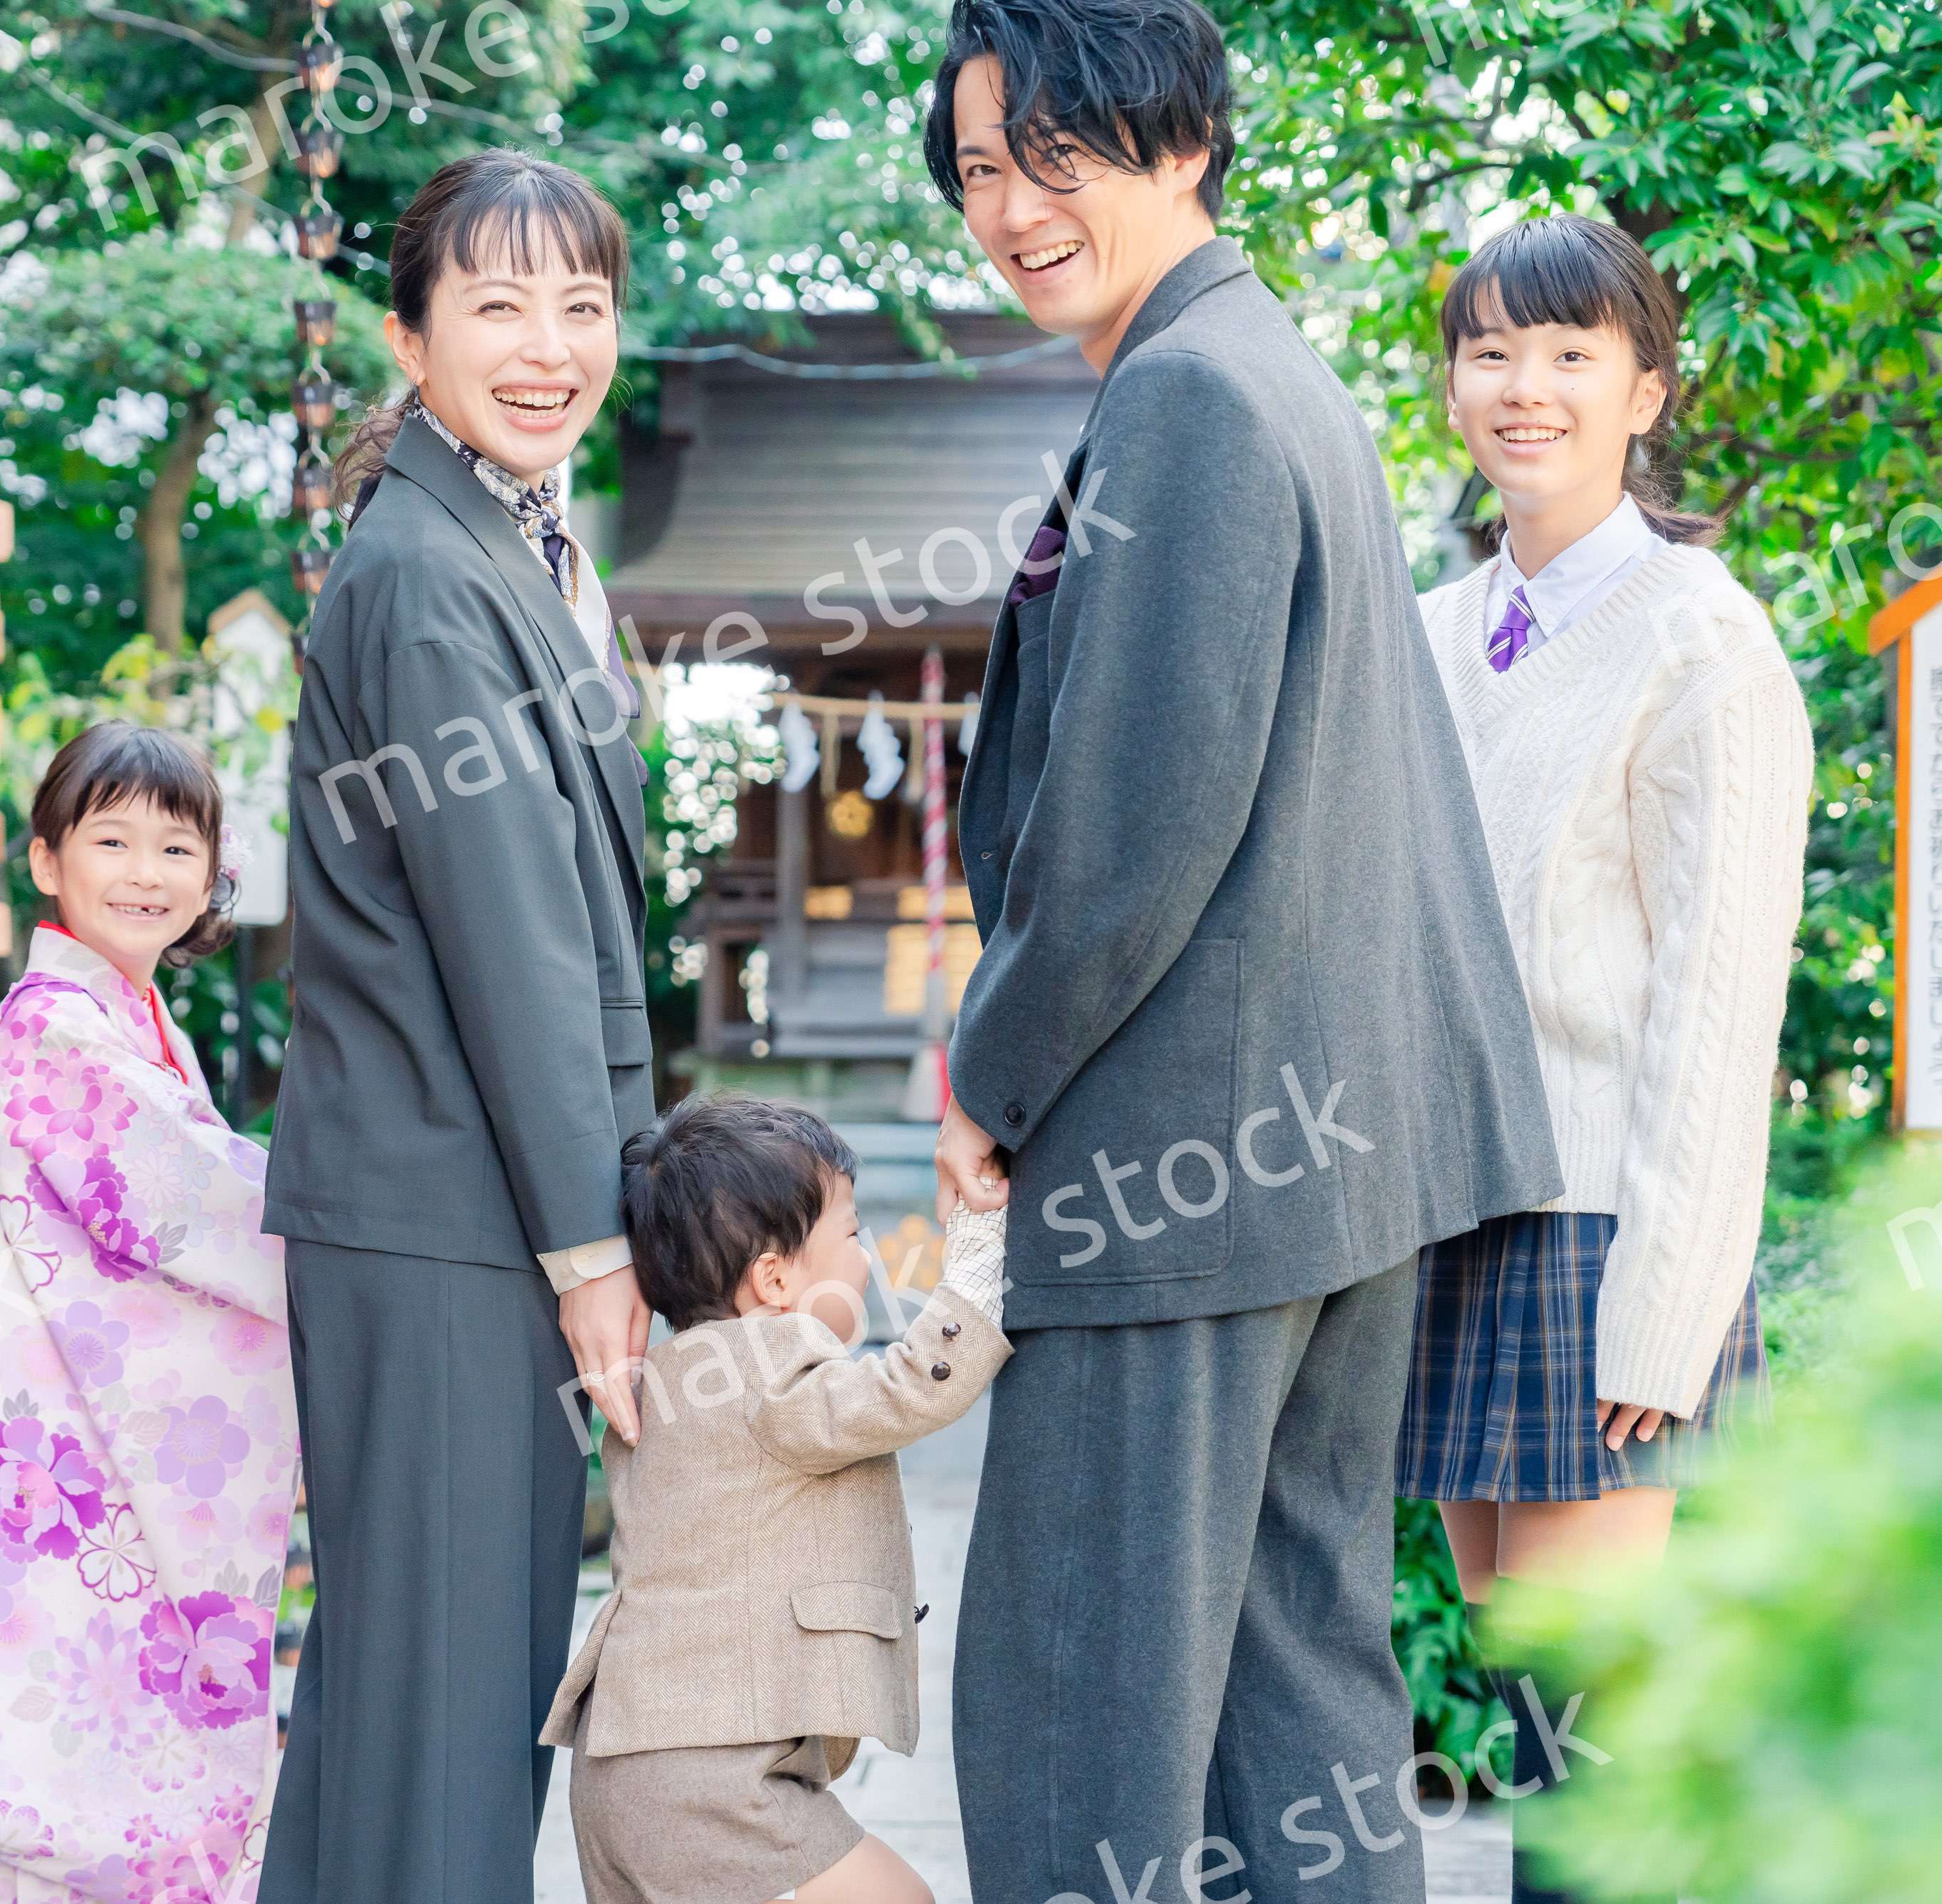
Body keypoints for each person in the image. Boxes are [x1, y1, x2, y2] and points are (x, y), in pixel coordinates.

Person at [919, 1, 1564, 1898]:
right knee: (1299, 1714)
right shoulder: (1261, 366)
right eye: (976, 171)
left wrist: (989, 1071)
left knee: (1081, 1723)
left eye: (1056, 154)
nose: (1013, 208)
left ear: (1179, 139)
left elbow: (1132, 839)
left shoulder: (1190, 397)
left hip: (1185, 1176)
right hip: (1324, 1174)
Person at [258, 149, 654, 1904]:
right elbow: (512, 941)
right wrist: (594, 1249)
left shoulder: (504, 541)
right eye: (497, 303)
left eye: (581, 302)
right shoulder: (429, 573)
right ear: (410, 336)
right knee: (443, 1713)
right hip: (450, 1219)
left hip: (448, 1212)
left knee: (408, 1708)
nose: (548, 343)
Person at [1408, 214, 1811, 1903]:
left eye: (1574, 353)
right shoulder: (1430, 629)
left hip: (1601, 1235)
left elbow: (1715, 1004)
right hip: (1453, 1218)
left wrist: (1667, 1296)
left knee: (1598, 1741)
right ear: (1449, 384)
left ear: (1642, 390)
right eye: (1493, 347)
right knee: (1536, 1702)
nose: (1527, 386)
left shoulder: (1696, 635)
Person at [0, 722, 292, 1903]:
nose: (146, 872)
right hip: (57, 1434)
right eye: (113, 839)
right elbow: (181, 1201)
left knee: (92, 1749)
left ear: (211, 871)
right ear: (46, 862)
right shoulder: (52, 1026)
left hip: (73, 1416)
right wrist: (338, 1231)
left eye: (176, 847)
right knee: (65, 1760)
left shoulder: (125, 1014)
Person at [541, 1097, 1010, 1904]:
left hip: (639, 1765)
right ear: (774, 1278)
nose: (864, 1259)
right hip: (708, 1777)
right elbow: (903, 1392)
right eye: (852, 1236)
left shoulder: (678, 1378)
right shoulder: (762, 1363)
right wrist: (973, 1260)